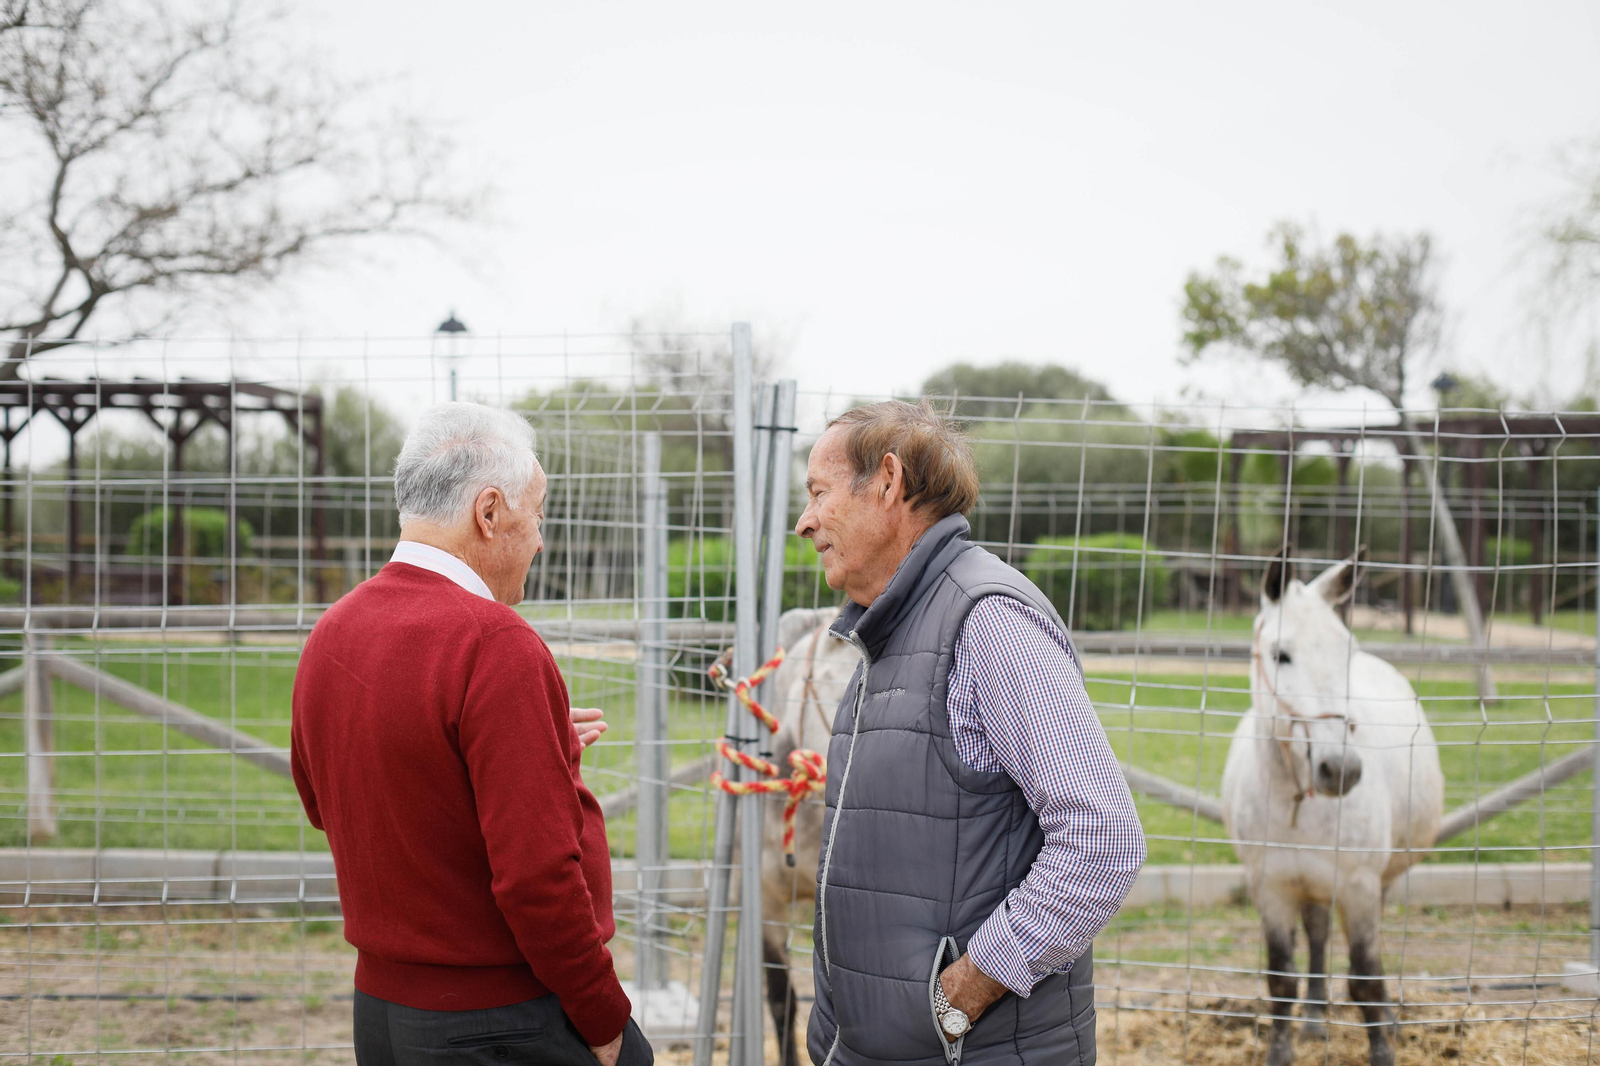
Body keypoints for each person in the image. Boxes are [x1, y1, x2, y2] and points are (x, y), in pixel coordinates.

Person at [291, 402, 651, 1066]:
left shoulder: (333, 630)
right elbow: (537, 878)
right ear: (490, 513)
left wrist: (519, 747)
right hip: (502, 1020)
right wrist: (603, 1019)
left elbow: (327, 800)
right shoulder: (495, 644)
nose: (540, 539)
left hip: (384, 1016)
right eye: (537, 514)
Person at [797, 401, 1146, 1066]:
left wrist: (962, 993)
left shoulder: (989, 624)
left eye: (818, 493)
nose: (804, 521)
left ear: (890, 482)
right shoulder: (889, 630)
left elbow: (1104, 840)